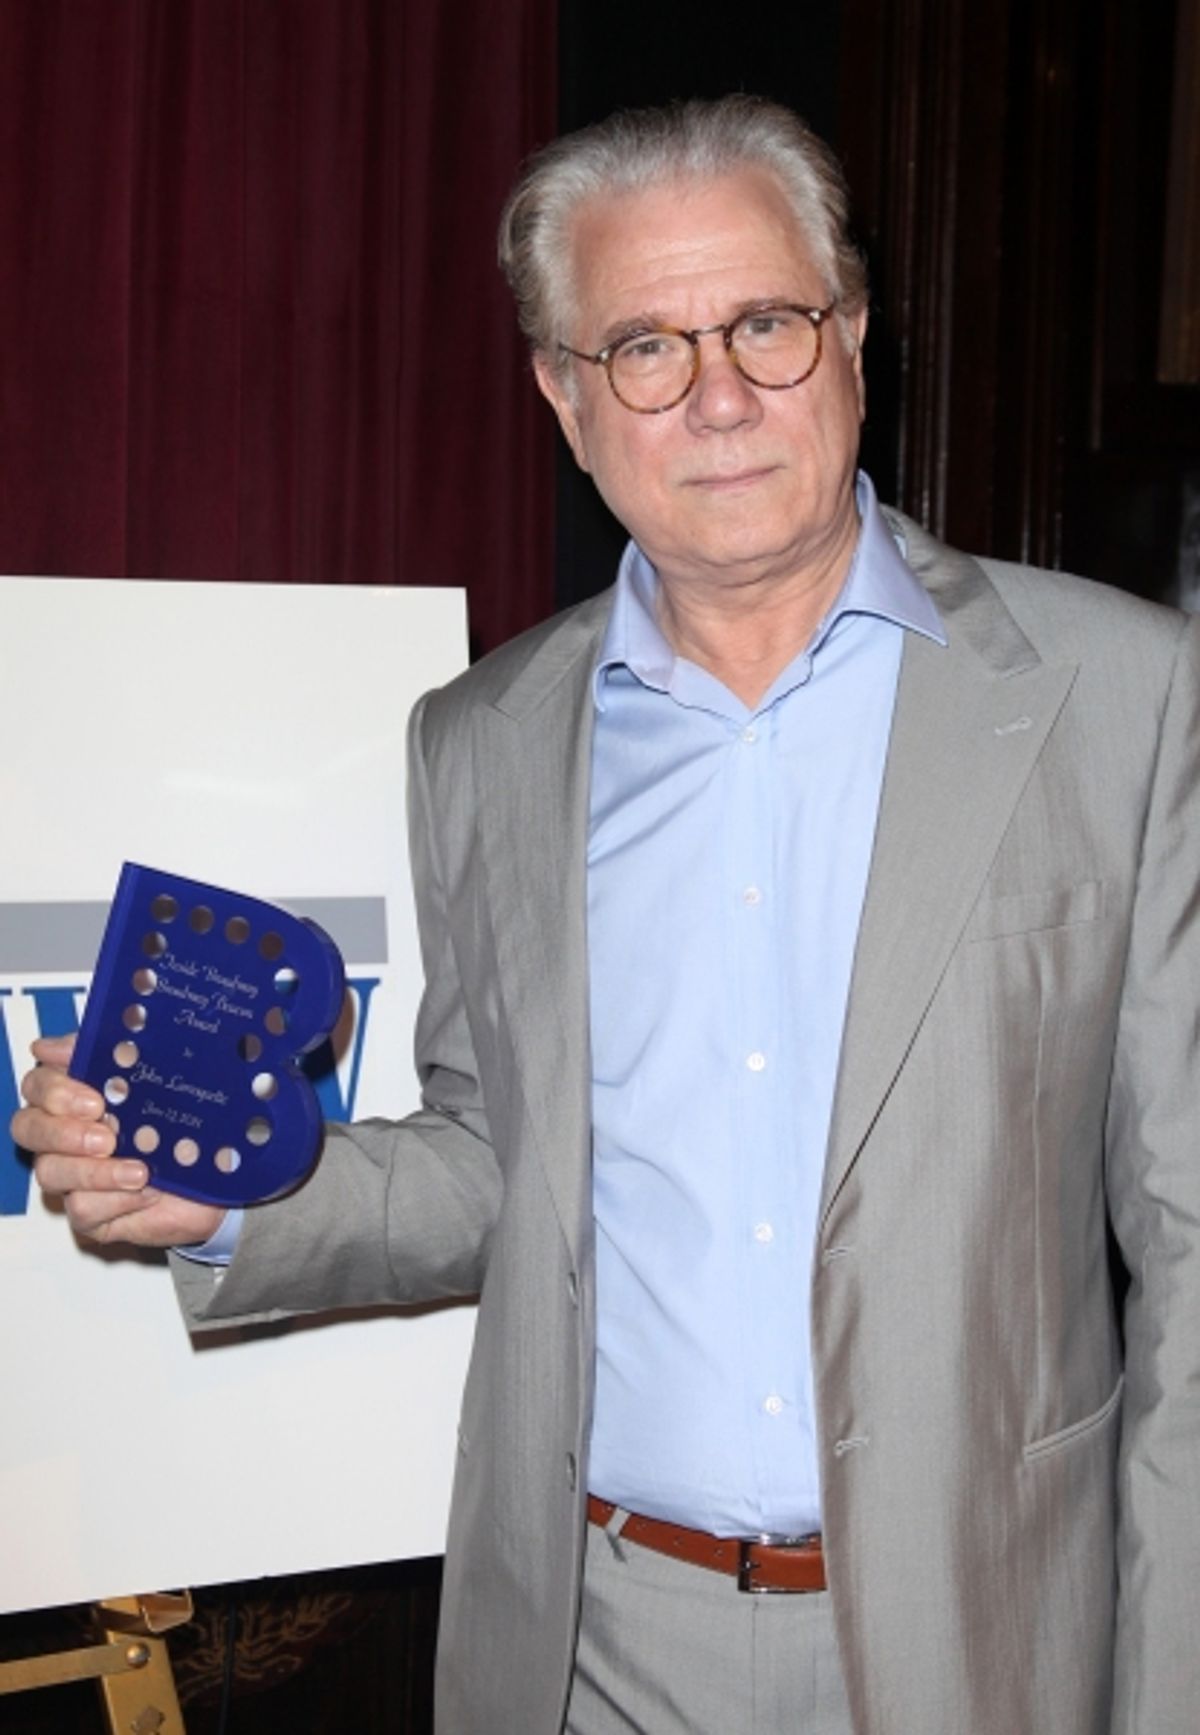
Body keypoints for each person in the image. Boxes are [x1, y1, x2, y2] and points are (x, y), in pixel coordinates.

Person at [15, 96, 1200, 1735]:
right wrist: (207, 1196)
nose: (718, 396)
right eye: (644, 347)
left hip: (991, 1641)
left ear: (854, 337)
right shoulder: (482, 738)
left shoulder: (1123, 696)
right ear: (566, 401)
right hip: (593, 1647)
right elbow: (493, 1159)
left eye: (766, 324)